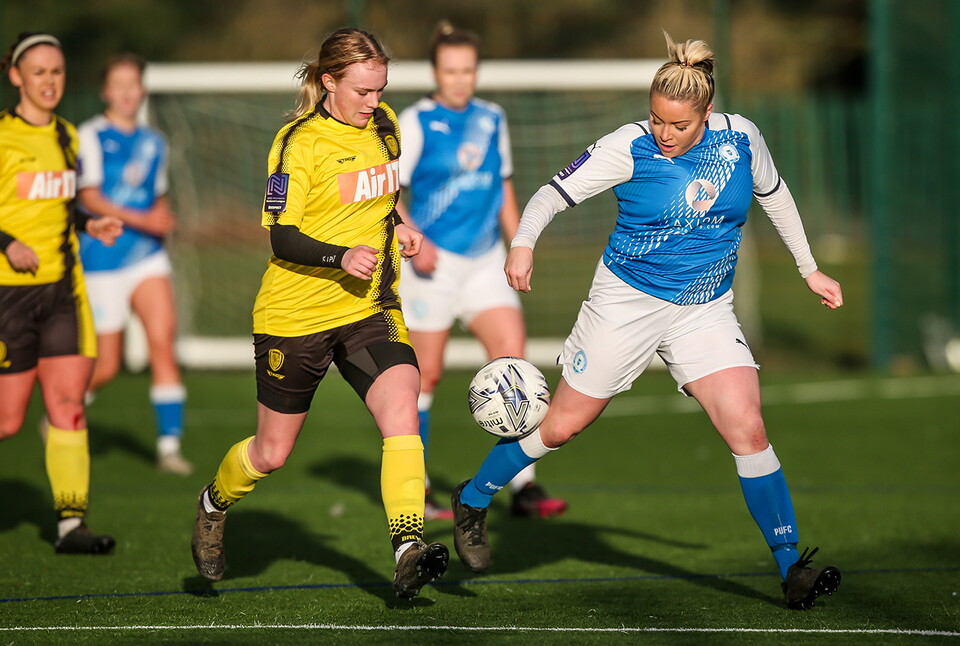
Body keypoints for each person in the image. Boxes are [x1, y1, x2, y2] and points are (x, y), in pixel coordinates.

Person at [450, 33, 843, 611]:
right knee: (560, 428)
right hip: (624, 305)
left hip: (703, 309)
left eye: (677, 125)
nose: (663, 133)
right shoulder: (627, 146)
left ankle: (791, 569)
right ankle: (475, 498)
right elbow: (549, 195)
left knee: (748, 427)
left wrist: (809, 269)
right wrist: (524, 244)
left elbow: (775, 195)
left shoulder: (742, 139)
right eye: (655, 119)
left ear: (706, 114)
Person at [190, 28, 449, 600]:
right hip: (294, 316)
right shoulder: (296, 143)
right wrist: (339, 254)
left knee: (403, 405)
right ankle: (214, 503)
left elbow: (380, 199)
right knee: (271, 453)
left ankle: (407, 549)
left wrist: (399, 225)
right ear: (329, 81)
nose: (373, 102)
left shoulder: (386, 127)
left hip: (369, 307)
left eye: (380, 89)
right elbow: (282, 238)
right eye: (361, 91)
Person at [397, 21, 567, 521]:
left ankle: (523, 488)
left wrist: (521, 244)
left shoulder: (493, 118)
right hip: (431, 265)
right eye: (450, 70)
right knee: (423, 376)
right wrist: (413, 238)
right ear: (435, 71)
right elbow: (391, 193)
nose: (459, 79)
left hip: (485, 262)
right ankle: (419, 487)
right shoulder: (415, 121)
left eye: (467, 70)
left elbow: (505, 189)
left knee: (515, 364)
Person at [0, 33, 122, 554]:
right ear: (16, 78)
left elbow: (64, 205)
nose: (50, 82)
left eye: (58, 72)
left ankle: (72, 526)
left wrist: (90, 223)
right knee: (7, 420)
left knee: (69, 405)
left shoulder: (69, 136)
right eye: (39, 72)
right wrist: (6, 243)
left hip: (63, 293)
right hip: (8, 296)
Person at [75, 53, 191, 475]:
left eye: (133, 83)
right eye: (118, 84)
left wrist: (163, 217)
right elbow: (89, 198)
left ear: (142, 90)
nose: (127, 92)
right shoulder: (88, 135)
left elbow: (156, 198)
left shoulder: (154, 141)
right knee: (106, 364)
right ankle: (64, 409)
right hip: (102, 261)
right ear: (105, 91)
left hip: (146, 257)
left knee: (163, 340)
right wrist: (144, 218)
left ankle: (168, 448)